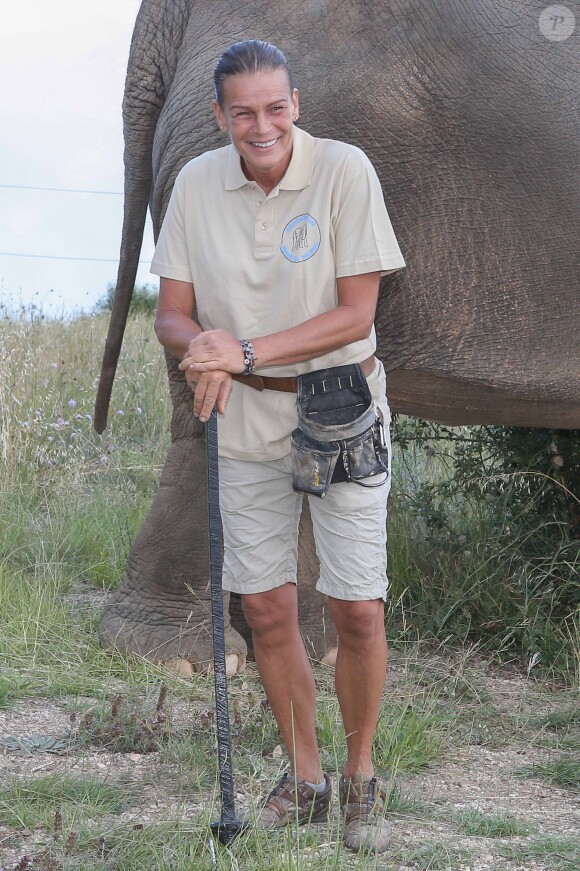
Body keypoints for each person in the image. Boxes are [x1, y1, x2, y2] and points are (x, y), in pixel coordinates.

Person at [151, 39, 405, 853]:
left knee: (356, 607)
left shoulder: (345, 170)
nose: (262, 125)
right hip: (245, 418)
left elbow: (357, 315)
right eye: (244, 111)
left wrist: (245, 350)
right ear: (221, 116)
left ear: (296, 103)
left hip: (341, 406)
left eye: (275, 106)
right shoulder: (195, 184)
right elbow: (172, 312)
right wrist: (202, 350)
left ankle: (361, 774)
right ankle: (306, 777)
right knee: (265, 606)